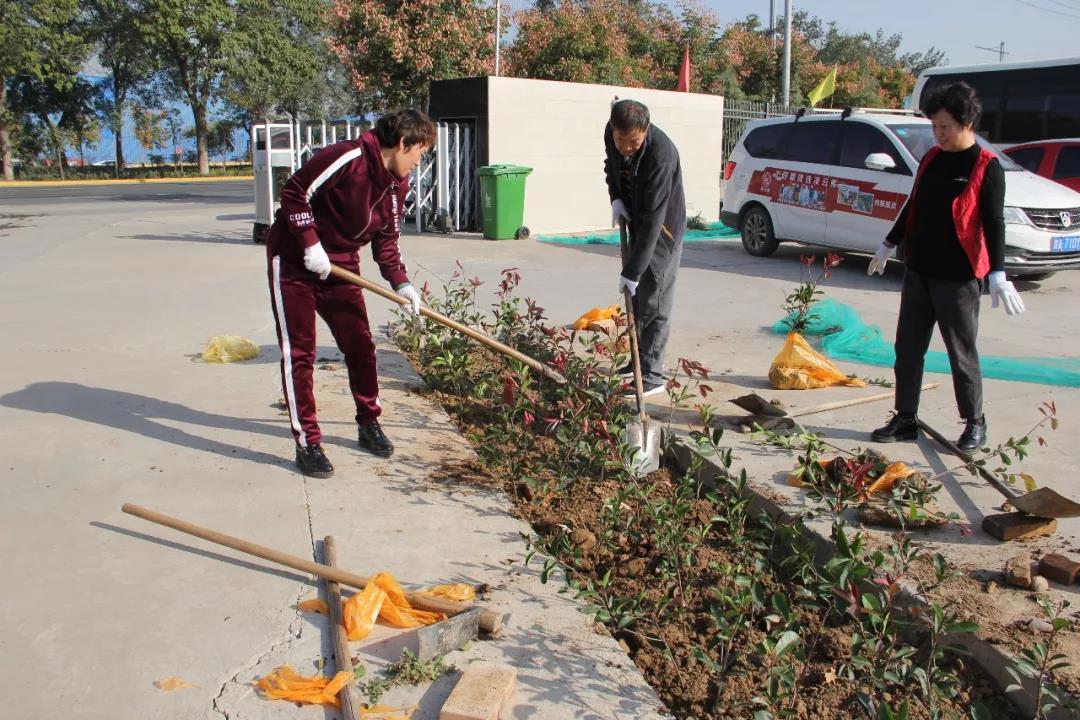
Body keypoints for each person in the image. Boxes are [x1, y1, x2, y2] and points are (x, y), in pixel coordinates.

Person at [265, 109, 435, 478]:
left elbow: (386, 241)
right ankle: (307, 443)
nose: (419, 161)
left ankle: (368, 422)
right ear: (402, 143)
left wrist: (401, 283)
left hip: (341, 265)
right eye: (419, 151)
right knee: (300, 352)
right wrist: (310, 243)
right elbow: (294, 192)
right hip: (294, 260)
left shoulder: (397, 185)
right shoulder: (348, 157)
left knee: (360, 345)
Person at [867, 82, 1026, 452]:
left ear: (966, 123)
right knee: (908, 349)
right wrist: (888, 242)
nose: (938, 134)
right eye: (934, 127)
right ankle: (906, 417)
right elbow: (914, 204)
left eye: (945, 127)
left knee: (961, 352)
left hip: (957, 278)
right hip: (919, 271)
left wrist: (998, 272)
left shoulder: (986, 167)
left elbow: (994, 222)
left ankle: (975, 422)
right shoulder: (931, 159)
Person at [603, 99, 686, 396]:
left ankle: (652, 374)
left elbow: (654, 220)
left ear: (646, 130)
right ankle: (637, 360)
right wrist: (616, 197)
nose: (626, 147)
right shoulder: (612, 131)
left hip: (662, 228)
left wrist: (632, 271)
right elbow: (612, 166)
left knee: (654, 298)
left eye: (634, 142)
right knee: (637, 301)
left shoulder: (662, 156)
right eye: (620, 140)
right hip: (637, 217)